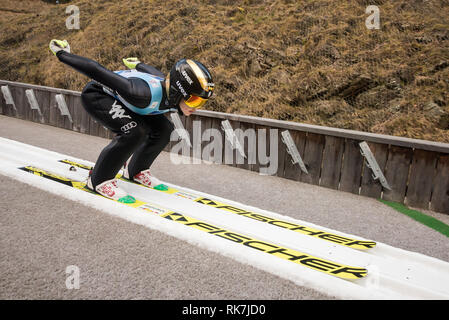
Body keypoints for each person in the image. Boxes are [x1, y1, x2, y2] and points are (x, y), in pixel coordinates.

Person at [49, 39, 214, 204]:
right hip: (98, 95)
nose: (196, 107)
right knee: (135, 132)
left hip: (128, 102)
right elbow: (97, 70)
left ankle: (136, 171)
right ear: (179, 92)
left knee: (164, 129)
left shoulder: (170, 93)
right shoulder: (141, 94)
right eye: (193, 101)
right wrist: (62, 54)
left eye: (201, 102)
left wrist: (137, 64)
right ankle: (99, 180)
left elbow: (150, 70)